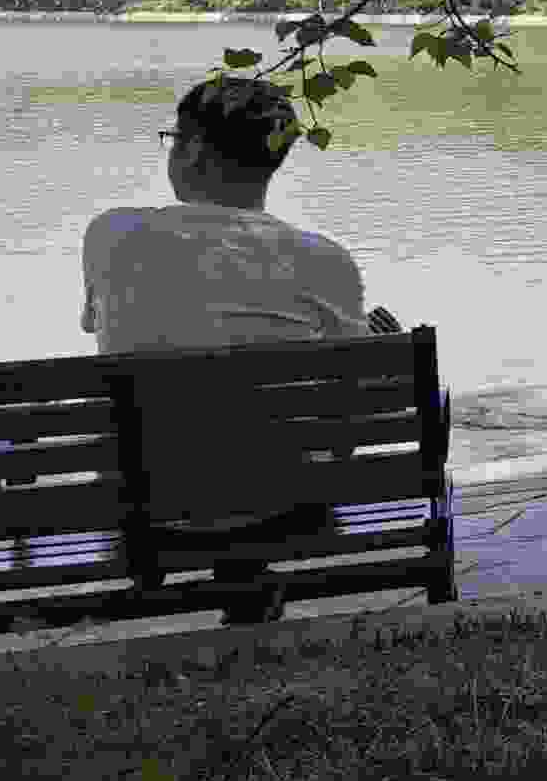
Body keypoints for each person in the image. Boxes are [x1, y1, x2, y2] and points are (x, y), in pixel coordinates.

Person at [73, 74, 401, 536]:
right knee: (364, 364)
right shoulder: (325, 258)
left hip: (142, 505)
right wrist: (384, 353)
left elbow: (94, 324)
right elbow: (354, 387)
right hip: (283, 507)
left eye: (173, 138)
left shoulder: (111, 234)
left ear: (192, 150)